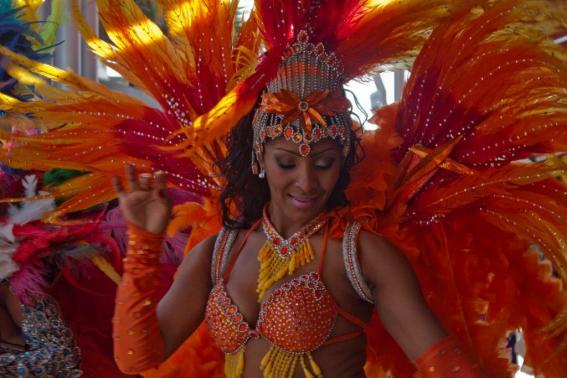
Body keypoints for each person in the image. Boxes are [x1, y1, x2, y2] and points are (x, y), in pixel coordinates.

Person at [0, 0, 566, 377]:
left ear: (342, 159)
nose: (305, 181)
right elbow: (136, 356)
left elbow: (443, 362)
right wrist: (146, 245)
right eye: (286, 161)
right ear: (258, 157)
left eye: (322, 162)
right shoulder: (218, 252)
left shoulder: (363, 254)